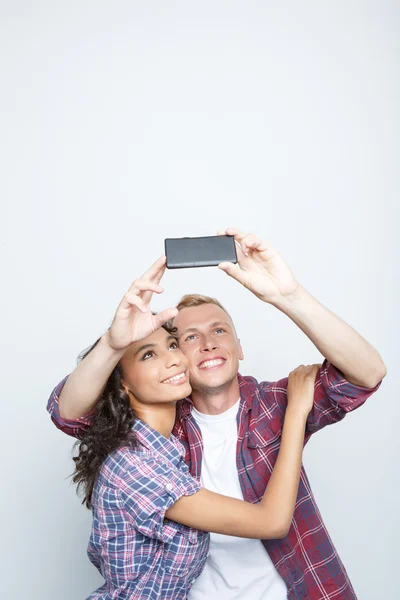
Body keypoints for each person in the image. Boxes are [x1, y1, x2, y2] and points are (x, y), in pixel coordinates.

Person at [47, 229, 386, 600]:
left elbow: (367, 373)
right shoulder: (158, 432)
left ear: (239, 347)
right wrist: (115, 343)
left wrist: (289, 297)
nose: (208, 342)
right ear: (181, 360)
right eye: (188, 337)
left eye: (219, 330)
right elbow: (68, 413)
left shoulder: (276, 401)